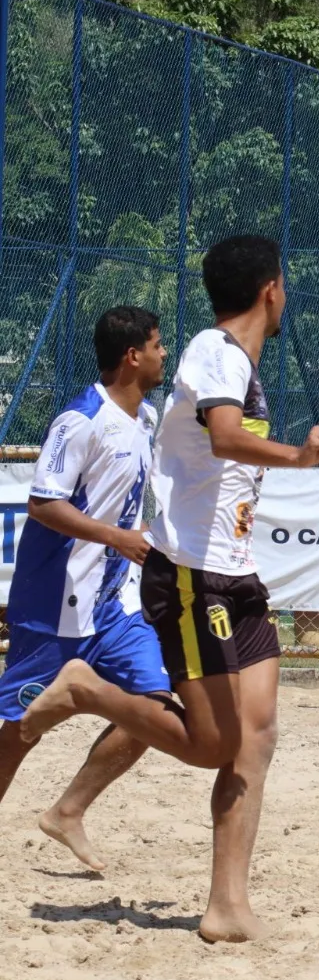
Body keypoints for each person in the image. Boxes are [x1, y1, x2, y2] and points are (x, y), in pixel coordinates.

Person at [23, 235, 319, 942]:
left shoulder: (235, 362)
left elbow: (219, 449)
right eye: (285, 284)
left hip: (235, 574)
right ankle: (84, 690)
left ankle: (226, 907)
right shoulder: (214, 350)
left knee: (255, 739)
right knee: (211, 745)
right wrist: (297, 454)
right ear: (272, 289)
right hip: (196, 576)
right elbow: (227, 437)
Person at [0, 306, 168, 871]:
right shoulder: (81, 419)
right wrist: (117, 537)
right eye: (158, 344)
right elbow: (43, 504)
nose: (163, 353)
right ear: (132, 355)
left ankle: (67, 811)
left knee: (155, 709)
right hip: (51, 611)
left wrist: (132, 538)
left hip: (112, 611)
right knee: (17, 734)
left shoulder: (145, 418)